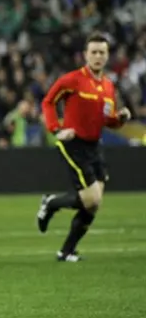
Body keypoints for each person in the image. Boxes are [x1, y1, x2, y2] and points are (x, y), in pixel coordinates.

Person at [37, 32, 131, 262]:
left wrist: (120, 119)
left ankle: (66, 252)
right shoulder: (72, 80)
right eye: (94, 52)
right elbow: (48, 101)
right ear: (85, 55)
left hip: (94, 145)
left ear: (107, 56)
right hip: (73, 144)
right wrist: (56, 129)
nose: (98, 56)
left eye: (102, 52)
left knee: (93, 205)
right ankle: (51, 203)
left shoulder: (108, 86)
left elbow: (106, 120)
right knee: (92, 199)